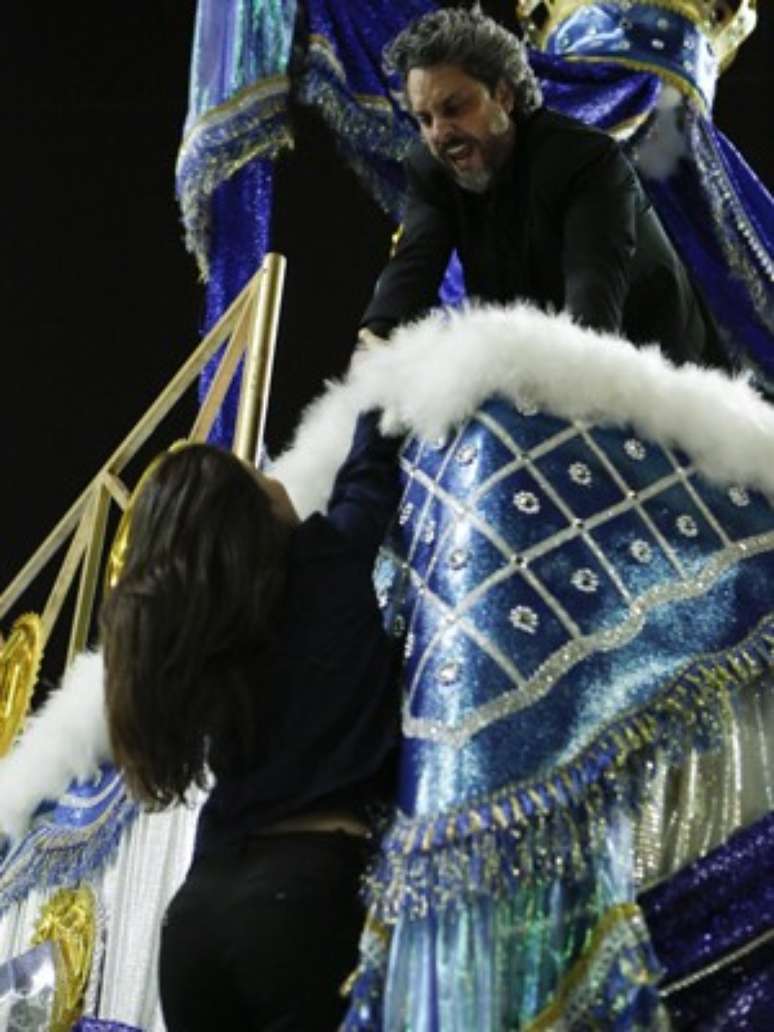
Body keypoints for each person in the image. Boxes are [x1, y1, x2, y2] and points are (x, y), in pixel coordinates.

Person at [99, 410, 403, 1031]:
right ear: (248, 514)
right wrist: (382, 351)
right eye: (253, 475)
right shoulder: (321, 564)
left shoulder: (200, 638)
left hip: (196, 922)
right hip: (301, 902)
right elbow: (369, 475)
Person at [360, 7, 724, 368]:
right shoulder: (432, 171)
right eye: (425, 119)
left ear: (503, 95)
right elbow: (413, 268)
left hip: (667, 373)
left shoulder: (588, 161)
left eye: (454, 108)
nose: (439, 133)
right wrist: (374, 345)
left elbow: (592, 306)